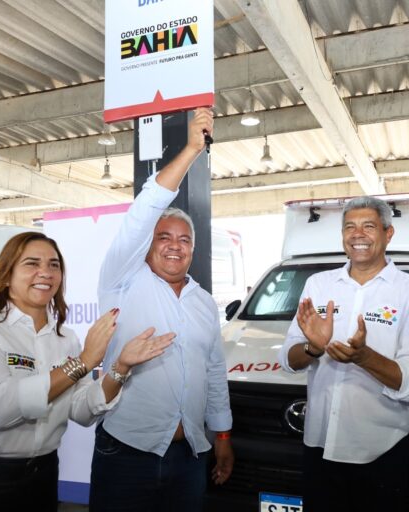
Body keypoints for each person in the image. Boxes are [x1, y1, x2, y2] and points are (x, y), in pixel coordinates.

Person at [0, 232, 173, 512]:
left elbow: (82, 410)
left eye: (54, 265)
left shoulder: (65, 339)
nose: (45, 272)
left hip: (40, 478)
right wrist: (83, 362)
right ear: (7, 274)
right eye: (32, 263)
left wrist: (121, 366)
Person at [90, 108, 233, 512]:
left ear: (193, 248)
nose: (174, 245)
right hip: (127, 453)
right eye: (163, 237)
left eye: (184, 239)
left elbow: (213, 371)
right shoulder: (122, 281)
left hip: (190, 455)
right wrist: (191, 150)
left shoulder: (203, 302)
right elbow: (144, 213)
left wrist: (222, 436)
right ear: (146, 245)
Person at [278, 196, 409, 512]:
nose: (357, 234)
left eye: (368, 226)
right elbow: (288, 359)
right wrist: (313, 348)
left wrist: (364, 357)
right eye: (349, 227)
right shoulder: (318, 285)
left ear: (388, 234)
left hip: (382, 448)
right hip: (319, 443)